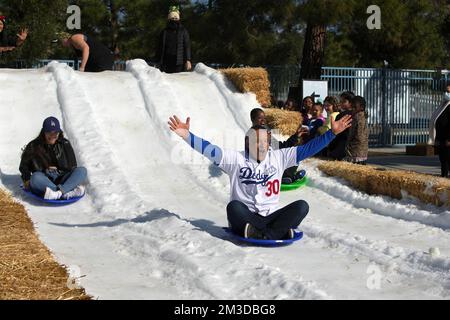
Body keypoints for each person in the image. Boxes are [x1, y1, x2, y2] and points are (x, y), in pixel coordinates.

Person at [168, 114, 352, 240]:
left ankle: (264, 234)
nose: (262, 146)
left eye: (265, 141)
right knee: (234, 207)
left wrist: (331, 134)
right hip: (246, 218)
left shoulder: (279, 156)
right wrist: (187, 135)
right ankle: (275, 233)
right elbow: (209, 150)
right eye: (258, 142)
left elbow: (307, 149)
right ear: (248, 142)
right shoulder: (236, 159)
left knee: (302, 206)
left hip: (271, 216)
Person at [19, 117, 87, 200]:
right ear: (44, 132)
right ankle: (67, 192)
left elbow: (73, 166)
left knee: (82, 170)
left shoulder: (65, 143)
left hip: (62, 178)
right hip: (44, 180)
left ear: (59, 132)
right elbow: (23, 166)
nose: (53, 135)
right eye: (49, 132)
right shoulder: (33, 146)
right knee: (35, 177)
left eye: (55, 133)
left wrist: (59, 170)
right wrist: (27, 179)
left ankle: (57, 193)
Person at [155, 6, 192, 74]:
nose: (174, 19)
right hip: (166, 63)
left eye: (176, 18)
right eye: (172, 18)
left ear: (178, 18)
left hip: (179, 63)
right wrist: (157, 60)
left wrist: (188, 60)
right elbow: (159, 47)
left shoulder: (183, 31)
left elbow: (187, 46)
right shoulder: (164, 31)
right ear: (169, 18)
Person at [429, 85, 450, 177]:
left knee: (448, 159)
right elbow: (437, 121)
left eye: (448, 92)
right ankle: (444, 176)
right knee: (443, 159)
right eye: (446, 91)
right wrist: (436, 138)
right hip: (441, 138)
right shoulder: (444, 105)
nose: (446, 93)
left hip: (448, 139)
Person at [327, 91, 355, 160]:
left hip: (341, 148)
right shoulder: (358, 115)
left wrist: (330, 148)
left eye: (344, 101)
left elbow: (336, 133)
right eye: (340, 101)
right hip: (355, 149)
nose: (341, 103)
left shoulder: (341, 115)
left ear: (351, 102)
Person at [344, 96, 369, 165]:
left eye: (355, 107)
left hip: (356, 150)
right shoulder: (362, 116)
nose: (352, 109)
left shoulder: (357, 118)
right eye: (352, 107)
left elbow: (359, 135)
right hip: (361, 150)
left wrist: (350, 144)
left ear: (361, 107)